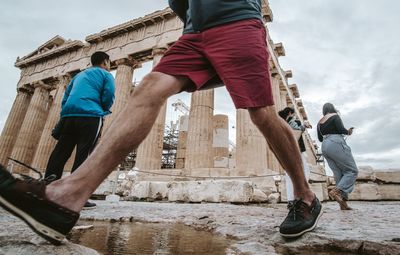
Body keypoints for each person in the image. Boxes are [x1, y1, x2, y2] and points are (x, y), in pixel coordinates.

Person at [0, 0, 322, 244]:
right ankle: (66, 198)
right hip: (194, 35)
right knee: (148, 89)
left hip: (237, 22)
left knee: (260, 111)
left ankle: (305, 196)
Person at [44, 51, 115, 209]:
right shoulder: (106, 74)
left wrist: (66, 112)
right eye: (109, 63)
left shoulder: (78, 76)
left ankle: (48, 186)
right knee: (85, 153)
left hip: (69, 115)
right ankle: (75, 194)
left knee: (61, 151)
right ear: (105, 62)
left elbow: (66, 96)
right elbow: (109, 94)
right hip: (90, 115)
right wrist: (102, 109)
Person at [317, 103, 358, 210]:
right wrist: (348, 132)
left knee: (339, 174)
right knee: (352, 171)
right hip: (336, 142)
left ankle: (343, 205)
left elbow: (320, 139)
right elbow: (341, 129)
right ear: (332, 108)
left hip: (325, 146)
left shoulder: (319, 122)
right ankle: (336, 191)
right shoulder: (335, 116)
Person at [278, 107, 311, 204]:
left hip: (285, 151)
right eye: (294, 113)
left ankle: (291, 199)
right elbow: (296, 131)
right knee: (305, 171)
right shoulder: (293, 121)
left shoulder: (280, 122)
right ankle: (301, 197)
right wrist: (304, 126)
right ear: (290, 113)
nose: (295, 115)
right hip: (296, 150)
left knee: (289, 175)